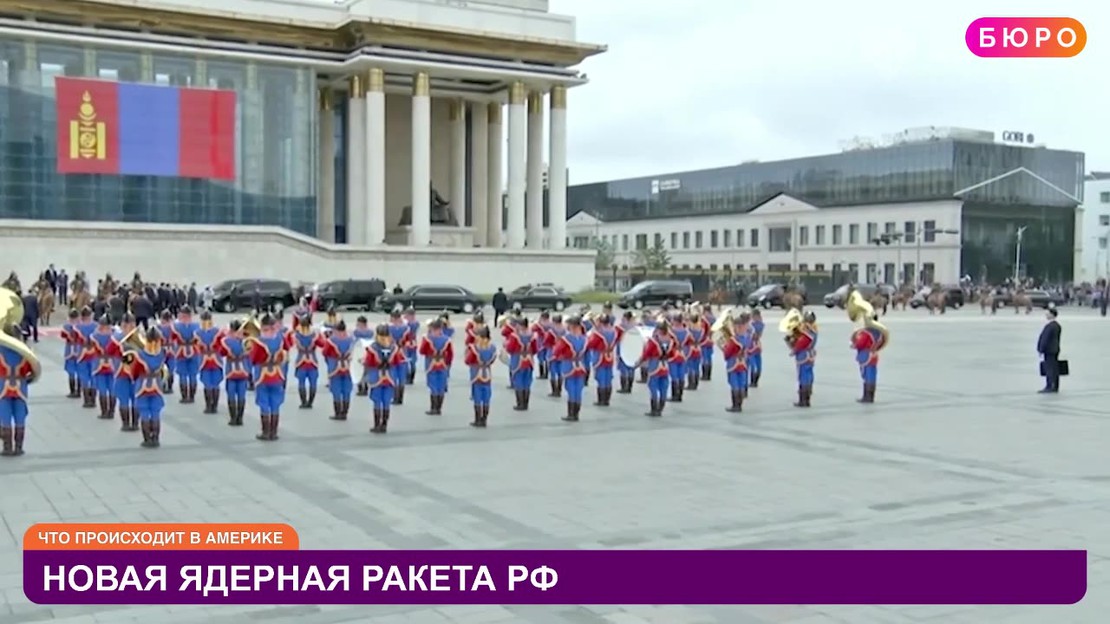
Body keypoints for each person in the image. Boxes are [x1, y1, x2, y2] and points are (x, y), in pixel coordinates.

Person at [248, 314, 289, 441]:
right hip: (277, 374)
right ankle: (274, 432)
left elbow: (253, 359)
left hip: (262, 375)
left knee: (264, 403)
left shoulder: (258, 342)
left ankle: (265, 432)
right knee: (275, 403)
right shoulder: (280, 339)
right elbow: (287, 349)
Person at [128, 327, 168, 448]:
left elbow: (134, 371)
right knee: (155, 412)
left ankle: (147, 439)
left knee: (144, 412)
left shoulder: (140, 354)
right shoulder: (162, 353)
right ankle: (155, 439)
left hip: (143, 384)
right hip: (157, 384)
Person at [0, 325, 35, 456]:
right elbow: (32, 370)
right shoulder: (25, 352)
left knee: (5, 417)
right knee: (20, 417)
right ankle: (19, 447)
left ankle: (7, 447)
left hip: (3, 387)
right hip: (20, 386)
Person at [363, 324, 405, 433]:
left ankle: (377, 425)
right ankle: (384, 425)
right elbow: (398, 362)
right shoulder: (394, 348)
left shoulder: (372, 348)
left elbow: (368, 363)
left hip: (376, 377)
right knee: (386, 401)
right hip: (390, 377)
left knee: (377, 401)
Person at [551, 316, 588, 422]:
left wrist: (562, 356)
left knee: (571, 389)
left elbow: (556, 351)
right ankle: (576, 414)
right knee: (578, 390)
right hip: (580, 366)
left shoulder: (566, 339)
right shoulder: (584, 339)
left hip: (569, 365)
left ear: (571, 326)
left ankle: (571, 414)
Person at [634, 320, 673, 417]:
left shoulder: (653, 341)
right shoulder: (670, 340)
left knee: (653, 387)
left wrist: (638, 363)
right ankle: (660, 409)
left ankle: (654, 409)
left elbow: (646, 354)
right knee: (664, 387)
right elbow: (671, 353)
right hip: (665, 365)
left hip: (655, 365)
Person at [107, 314, 138, 430]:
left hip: (121, 371)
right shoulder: (140, 337)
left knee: (123, 399)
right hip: (136, 373)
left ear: (123, 325)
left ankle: (125, 424)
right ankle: (135, 424)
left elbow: (109, 351)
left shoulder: (116, 338)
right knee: (135, 399)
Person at [216, 320, 250, 426]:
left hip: (231, 371)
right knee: (241, 395)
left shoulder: (226, 341)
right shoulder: (246, 341)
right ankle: (240, 418)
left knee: (231, 394)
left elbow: (221, 352)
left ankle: (233, 418)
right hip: (243, 370)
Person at [320, 320, 356, 420]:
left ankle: (338, 412)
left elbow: (325, 352)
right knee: (346, 390)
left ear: (336, 330)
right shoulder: (351, 340)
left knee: (336, 390)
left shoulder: (331, 340)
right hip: (348, 367)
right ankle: (345, 412)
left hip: (335, 367)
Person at [418, 319, 453, 416]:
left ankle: (433, 408)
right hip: (443, 364)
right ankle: (439, 408)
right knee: (441, 386)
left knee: (433, 386)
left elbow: (422, 351)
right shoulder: (447, 339)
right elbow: (450, 354)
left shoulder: (427, 339)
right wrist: (448, 363)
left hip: (431, 364)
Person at [464, 326, 497, 427]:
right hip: (487, 373)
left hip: (477, 374)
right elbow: (493, 360)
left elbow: (468, 360)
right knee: (486, 397)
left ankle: (478, 419)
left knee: (477, 396)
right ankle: (484, 419)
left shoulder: (475, 348)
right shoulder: (492, 348)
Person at [503, 317, 536, 411]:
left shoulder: (515, 336)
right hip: (529, 360)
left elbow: (510, 348)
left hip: (518, 359)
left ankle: (520, 403)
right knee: (527, 382)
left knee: (519, 382)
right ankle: (526, 403)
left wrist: (506, 345)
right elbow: (535, 349)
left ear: (520, 325)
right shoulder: (532, 335)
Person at [851, 315, 886, 404]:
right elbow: (882, 342)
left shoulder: (866, 333)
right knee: (872, 374)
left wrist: (854, 344)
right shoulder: (879, 332)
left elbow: (860, 343)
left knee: (866, 375)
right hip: (874, 355)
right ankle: (871, 395)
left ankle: (867, 396)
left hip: (865, 355)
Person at [585, 314, 617, 406]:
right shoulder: (613, 331)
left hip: (600, 356)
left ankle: (601, 400)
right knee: (608, 379)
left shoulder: (598, 333)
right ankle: (607, 400)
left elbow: (590, 344)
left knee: (601, 379)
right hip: (609, 356)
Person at [89, 316, 118, 420]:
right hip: (112, 363)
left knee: (102, 389)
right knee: (112, 389)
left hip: (99, 364)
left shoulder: (95, 336)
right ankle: (112, 412)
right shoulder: (115, 336)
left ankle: (104, 412)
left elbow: (91, 342)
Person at [195, 311, 224, 414]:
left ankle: (208, 406)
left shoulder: (197, 332)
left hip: (204, 359)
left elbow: (197, 347)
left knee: (207, 383)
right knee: (216, 384)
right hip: (216, 359)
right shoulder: (218, 331)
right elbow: (222, 345)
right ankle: (214, 406)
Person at [720, 312, 750, 412]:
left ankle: (735, 405)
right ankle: (740, 405)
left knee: (734, 384)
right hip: (743, 363)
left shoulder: (733, 340)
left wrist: (724, 348)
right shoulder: (747, 338)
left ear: (737, 327)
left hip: (733, 363)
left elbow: (727, 353)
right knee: (741, 383)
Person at [292, 315, 323, 409]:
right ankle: (310, 402)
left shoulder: (296, 334)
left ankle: (304, 402)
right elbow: (322, 344)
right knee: (313, 382)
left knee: (301, 382)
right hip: (312, 361)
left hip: (301, 361)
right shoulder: (315, 334)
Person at [172, 307, 200, 404]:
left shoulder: (176, 326)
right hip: (194, 350)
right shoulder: (197, 326)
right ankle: (192, 396)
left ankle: (184, 397)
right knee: (193, 374)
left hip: (181, 351)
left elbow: (173, 338)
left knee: (182, 374)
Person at [790, 311, 818, 407]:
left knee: (803, 377)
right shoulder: (814, 330)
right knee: (809, 375)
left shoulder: (806, 332)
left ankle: (803, 399)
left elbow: (800, 343)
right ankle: (807, 397)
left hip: (803, 355)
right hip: (810, 354)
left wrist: (793, 350)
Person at [386, 307, 412, 406]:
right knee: (401, 378)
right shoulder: (406, 328)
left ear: (393, 318)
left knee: (393, 376)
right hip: (403, 354)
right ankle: (400, 397)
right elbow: (408, 342)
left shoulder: (388, 328)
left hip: (393, 354)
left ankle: (395, 397)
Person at [75, 307, 98, 409]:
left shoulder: (77, 327)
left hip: (82, 353)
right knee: (93, 376)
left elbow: (75, 340)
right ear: (90, 314)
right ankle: (93, 400)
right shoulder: (96, 326)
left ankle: (86, 400)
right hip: (94, 353)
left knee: (84, 377)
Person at [1036, 306, 1062, 393]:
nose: (1046, 315)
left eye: (1047, 314)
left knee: (1050, 369)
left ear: (1052, 315)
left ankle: (1050, 386)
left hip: (1049, 350)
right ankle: (1055, 385)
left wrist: (1040, 349)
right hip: (1055, 349)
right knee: (1054, 368)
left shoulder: (1050, 326)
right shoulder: (1057, 325)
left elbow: (1045, 339)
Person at [60, 309, 82, 398]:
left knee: (71, 372)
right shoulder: (80, 326)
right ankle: (79, 391)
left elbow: (62, 335)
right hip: (79, 350)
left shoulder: (66, 326)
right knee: (80, 371)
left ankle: (72, 391)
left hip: (69, 350)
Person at [352, 316, 374, 397]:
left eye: (358, 324)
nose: (357, 325)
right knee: (365, 370)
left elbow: (354, 342)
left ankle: (362, 387)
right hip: (365, 352)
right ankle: (365, 386)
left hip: (360, 352)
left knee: (360, 370)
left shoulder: (357, 332)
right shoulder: (370, 332)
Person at [748, 309, 765, 390]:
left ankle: (753, 381)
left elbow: (754, 335)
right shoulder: (761, 324)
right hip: (758, 345)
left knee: (753, 364)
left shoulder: (752, 325)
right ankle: (756, 381)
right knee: (758, 364)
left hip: (752, 345)